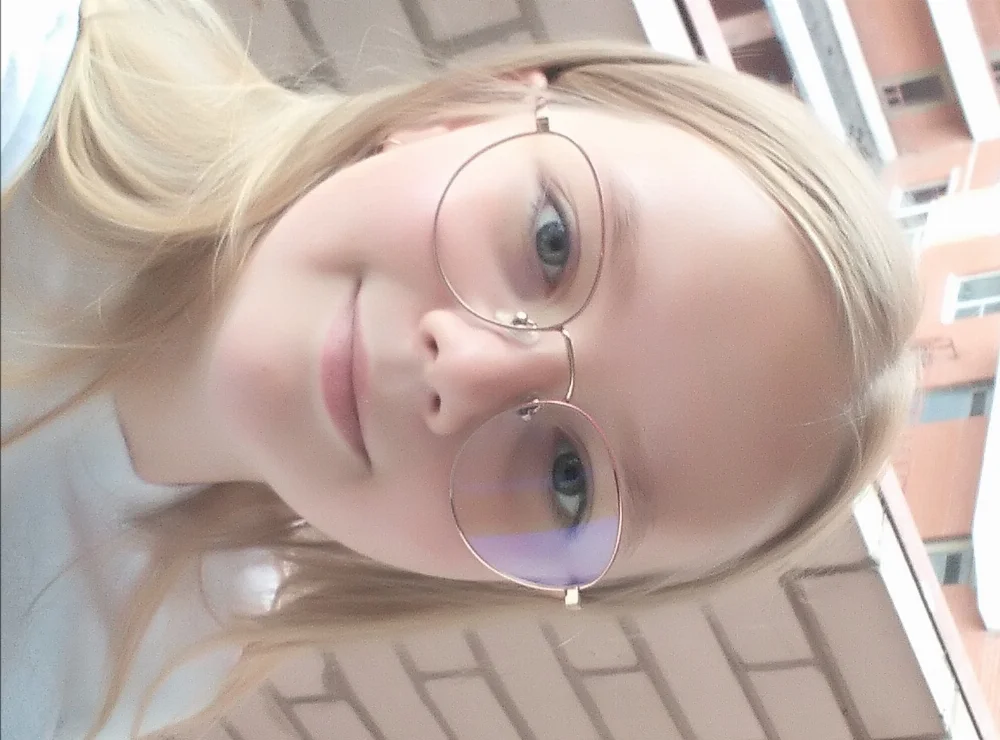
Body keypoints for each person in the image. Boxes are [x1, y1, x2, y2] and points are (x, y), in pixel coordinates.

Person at [1, 0, 921, 736]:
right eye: (552, 241)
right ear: (469, 113)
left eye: (568, 479)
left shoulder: (164, 654)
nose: (467, 372)